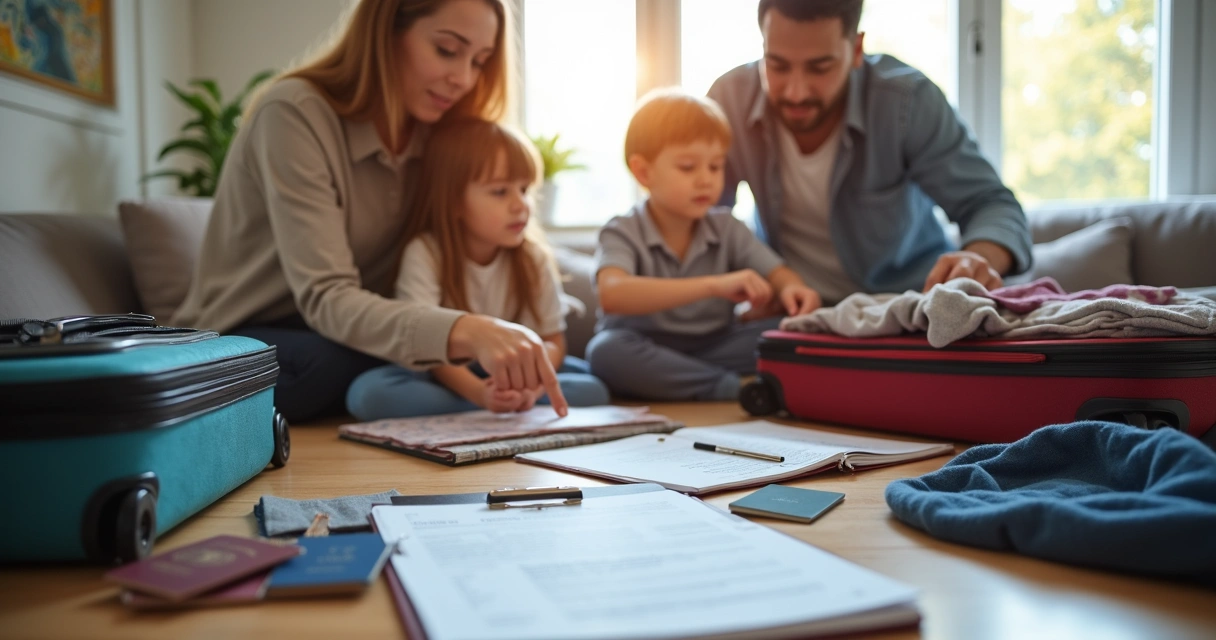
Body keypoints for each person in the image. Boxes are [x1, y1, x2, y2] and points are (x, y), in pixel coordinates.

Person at [172, 0, 569, 423]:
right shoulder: (294, 113)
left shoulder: (438, 133)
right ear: (386, 33)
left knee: (415, 358)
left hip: (353, 332)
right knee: (339, 365)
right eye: (448, 50)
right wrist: (468, 330)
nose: (464, 79)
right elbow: (327, 296)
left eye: (480, 61)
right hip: (251, 333)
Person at [707, 0, 1033, 307]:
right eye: (776, 65)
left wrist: (977, 259)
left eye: (819, 68)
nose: (796, 91)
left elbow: (991, 203)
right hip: (797, 317)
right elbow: (700, 226)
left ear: (856, 50)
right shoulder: (728, 101)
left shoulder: (907, 102)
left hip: (908, 308)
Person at [344, 119, 610, 420]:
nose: (520, 204)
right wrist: (480, 394)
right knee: (370, 394)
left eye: (524, 189)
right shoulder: (427, 253)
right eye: (500, 192)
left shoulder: (532, 257)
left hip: (517, 369)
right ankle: (487, 409)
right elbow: (425, 349)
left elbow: (553, 340)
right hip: (446, 372)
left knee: (591, 386)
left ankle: (498, 407)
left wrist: (531, 386)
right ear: (454, 201)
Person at [586, 89, 822, 402]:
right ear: (643, 172)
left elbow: (779, 274)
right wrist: (714, 285)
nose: (706, 180)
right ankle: (729, 389)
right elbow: (612, 294)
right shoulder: (622, 229)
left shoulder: (727, 227)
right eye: (688, 167)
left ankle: (691, 379)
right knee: (605, 352)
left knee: (794, 329)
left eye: (715, 166)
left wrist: (794, 290)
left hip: (715, 346)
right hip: (645, 347)